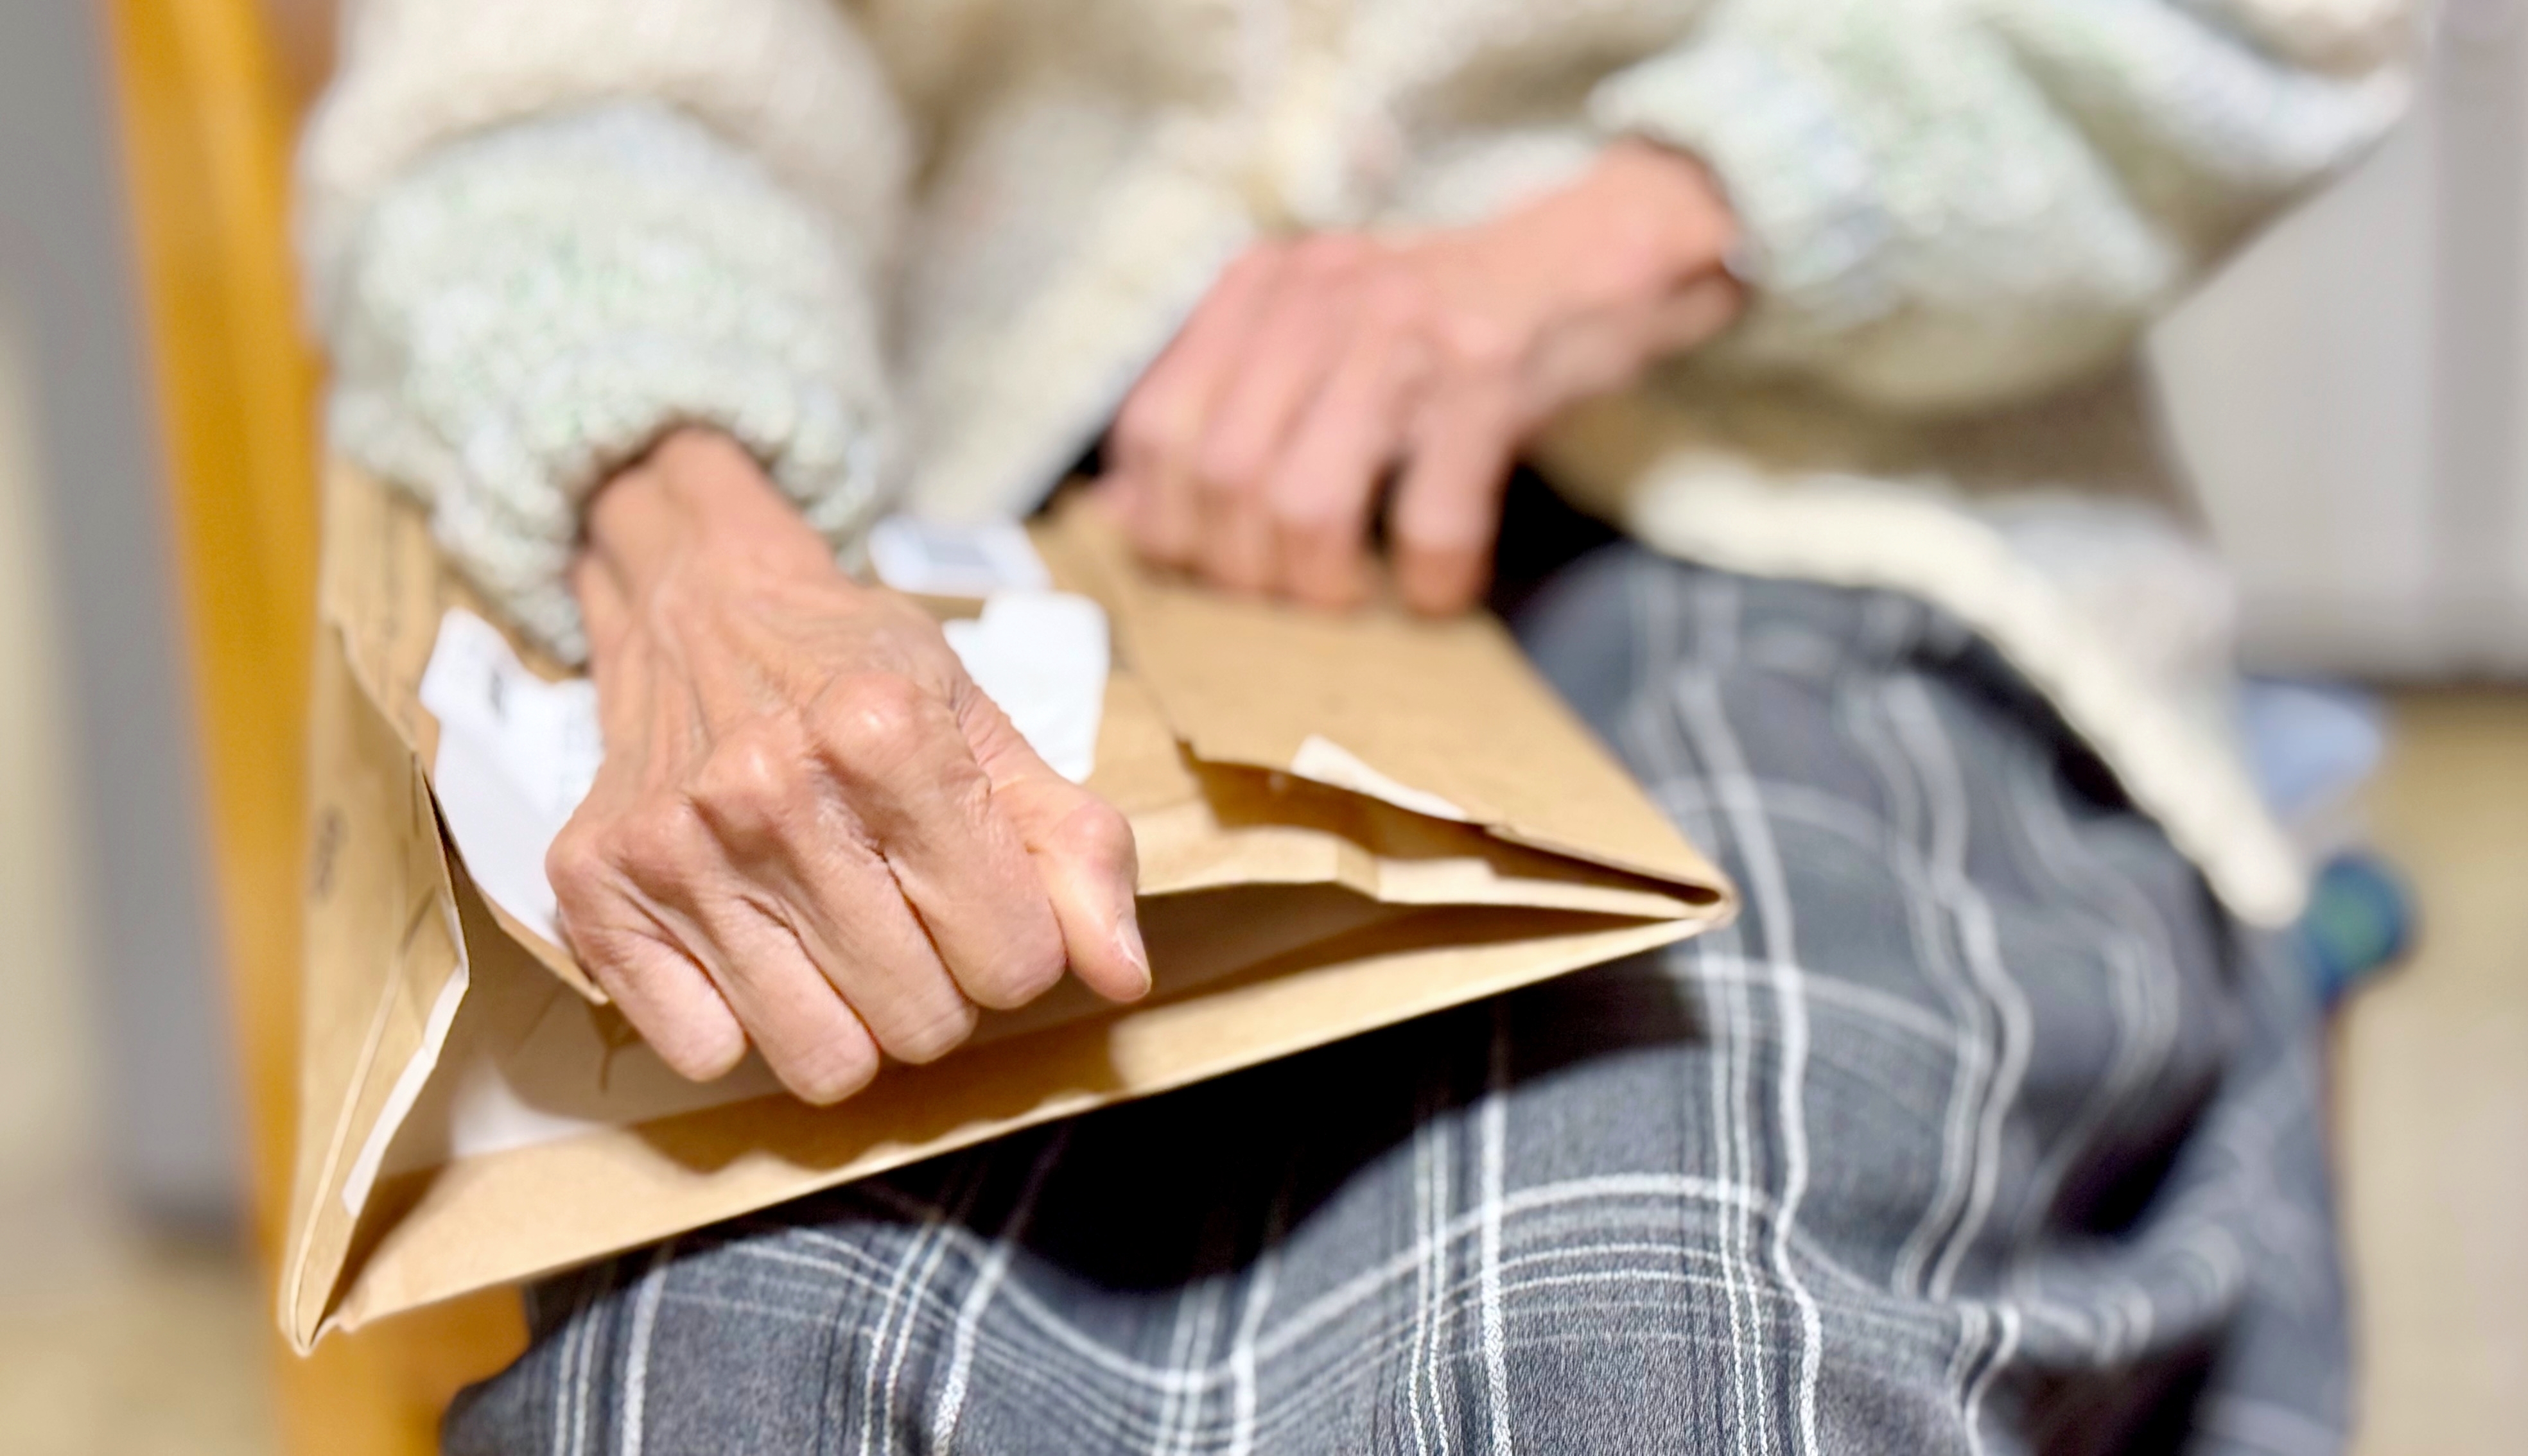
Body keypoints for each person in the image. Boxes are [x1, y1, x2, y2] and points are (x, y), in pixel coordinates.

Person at [299, 1, 2416, 1449]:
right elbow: (548, 71)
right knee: (727, 1374)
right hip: (974, 543)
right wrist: (698, 534)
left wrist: (1633, 234)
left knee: (1653, 1344)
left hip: (1811, 489)